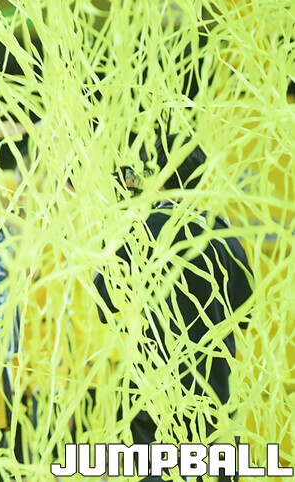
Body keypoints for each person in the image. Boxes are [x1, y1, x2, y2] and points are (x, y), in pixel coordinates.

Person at [94, 134, 254, 482]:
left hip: (153, 403)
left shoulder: (138, 235)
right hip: (215, 401)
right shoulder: (223, 235)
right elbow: (246, 314)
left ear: (158, 175)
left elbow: (103, 302)